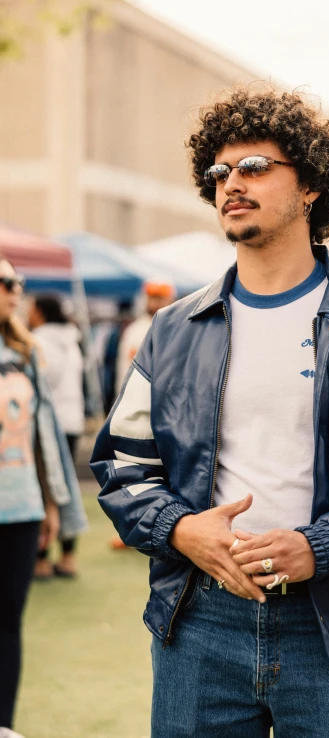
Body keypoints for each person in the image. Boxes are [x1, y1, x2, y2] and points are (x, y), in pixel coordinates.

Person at [91, 85, 329, 738]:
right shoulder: (172, 329)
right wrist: (184, 531)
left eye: (254, 167)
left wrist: (318, 547)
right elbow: (123, 468)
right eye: (218, 172)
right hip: (201, 622)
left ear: (310, 188)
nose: (230, 183)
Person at [0, 255, 87, 738]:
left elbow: (44, 436)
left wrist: (53, 504)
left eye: (19, 282)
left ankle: (4, 725)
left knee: (8, 621)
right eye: (8, 281)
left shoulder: (27, 350)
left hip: (21, 506)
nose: (18, 290)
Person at [28, 295, 85, 578]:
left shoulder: (38, 340)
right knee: (66, 487)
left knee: (44, 488)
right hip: (72, 420)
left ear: (40, 311)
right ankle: (68, 556)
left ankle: (40, 558)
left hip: (49, 423)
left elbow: (42, 382)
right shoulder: (72, 340)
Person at [115, 281, 175, 394]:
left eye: (161, 298)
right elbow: (127, 372)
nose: (156, 303)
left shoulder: (177, 329)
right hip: (140, 397)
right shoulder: (136, 331)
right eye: (153, 298)